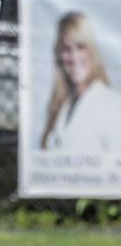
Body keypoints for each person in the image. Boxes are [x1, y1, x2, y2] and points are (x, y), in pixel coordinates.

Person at [40, 11, 121, 152]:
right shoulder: (58, 104)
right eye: (66, 49)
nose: (73, 57)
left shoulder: (113, 105)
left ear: (92, 50)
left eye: (80, 47)